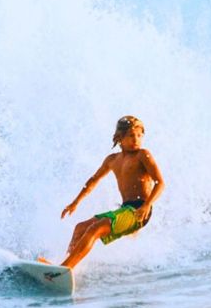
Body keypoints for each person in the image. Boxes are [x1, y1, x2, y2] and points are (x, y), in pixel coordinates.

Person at [48, 115, 165, 270]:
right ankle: (65, 266)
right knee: (80, 228)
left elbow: (160, 183)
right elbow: (93, 180)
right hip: (125, 209)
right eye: (131, 135)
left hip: (139, 211)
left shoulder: (142, 155)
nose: (136, 139)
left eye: (139, 135)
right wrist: (75, 202)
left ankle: (64, 268)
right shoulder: (112, 160)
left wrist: (147, 205)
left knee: (94, 229)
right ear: (119, 137)